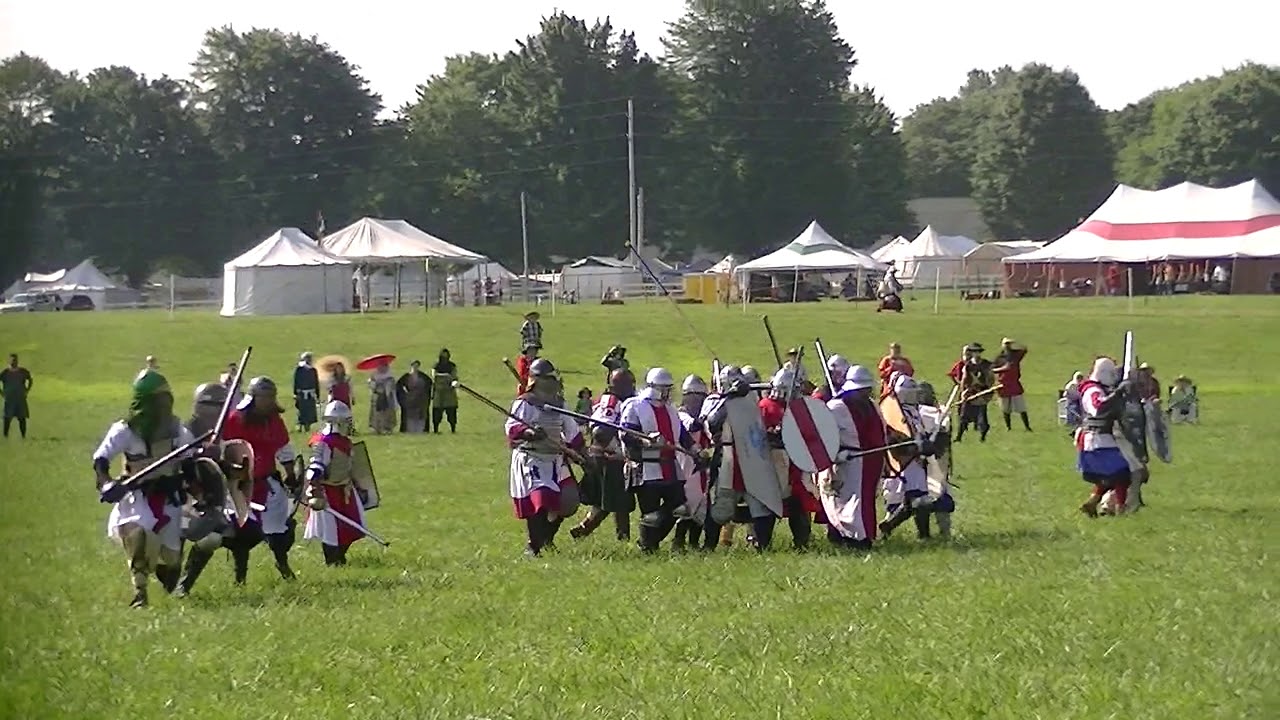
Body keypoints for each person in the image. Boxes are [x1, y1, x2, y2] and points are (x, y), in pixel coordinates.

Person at [93, 369, 195, 607]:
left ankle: (165, 570)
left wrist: (202, 476)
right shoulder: (125, 431)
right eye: (156, 402)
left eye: (165, 401)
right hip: (137, 499)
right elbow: (101, 459)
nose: (162, 407)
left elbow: (191, 464)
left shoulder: (177, 431)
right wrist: (107, 483)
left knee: (171, 562)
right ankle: (140, 593)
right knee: (139, 535)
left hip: (171, 500)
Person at [219, 377, 299, 583]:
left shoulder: (273, 420)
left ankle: (283, 564)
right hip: (241, 485)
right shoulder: (234, 420)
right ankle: (240, 577)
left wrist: (291, 474)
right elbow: (224, 450)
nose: (270, 402)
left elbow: (283, 448)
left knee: (279, 530)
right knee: (241, 534)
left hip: (268, 483)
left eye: (272, 397)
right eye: (266, 397)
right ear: (254, 398)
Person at [505, 358, 584, 556]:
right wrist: (530, 433)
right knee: (540, 502)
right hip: (531, 457)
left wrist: (582, 455)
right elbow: (512, 427)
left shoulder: (560, 404)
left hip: (555, 460)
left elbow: (573, 433)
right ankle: (533, 546)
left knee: (568, 501)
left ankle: (546, 539)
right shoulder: (525, 403)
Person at [704, 364, 784, 552]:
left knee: (762, 504)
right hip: (728, 461)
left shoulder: (751, 401)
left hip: (752, 458)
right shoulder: (716, 402)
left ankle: (763, 548)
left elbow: (757, 430)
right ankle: (708, 548)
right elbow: (712, 423)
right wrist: (728, 399)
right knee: (721, 509)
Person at [620, 368, 701, 553]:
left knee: (680, 507)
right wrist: (646, 439)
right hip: (646, 466)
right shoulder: (635, 405)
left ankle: (649, 542)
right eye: (665, 388)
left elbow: (682, 434)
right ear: (655, 387)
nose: (667, 392)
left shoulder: (671, 410)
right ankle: (649, 547)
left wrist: (695, 449)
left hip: (670, 465)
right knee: (651, 514)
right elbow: (626, 434)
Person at [878, 374, 953, 540]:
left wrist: (929, 440)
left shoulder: (914, 411)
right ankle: (912, 532)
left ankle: (892, 527)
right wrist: (915, 447)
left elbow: (917, 432)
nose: (914, 395)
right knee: (917, 500)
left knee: (917, 500)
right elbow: (893, 439)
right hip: (903, 463)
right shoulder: (893, 413)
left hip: (917, 462)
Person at [820, 365, 887, 550]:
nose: (866, 392)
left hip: (870, 462)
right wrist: (835, 454)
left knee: (865, 501)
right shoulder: (835, 407)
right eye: (862, 389)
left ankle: (863, 536)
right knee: (844, 502)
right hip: (846, 463)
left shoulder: (871, 405)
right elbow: (822, 436)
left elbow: (881, 430)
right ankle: (850, 537)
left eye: (867, 388)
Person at [302, 401, 370, 566]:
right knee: (330, 530)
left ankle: (340, 555)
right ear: (338, 422)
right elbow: (316, 464)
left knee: (352, 524)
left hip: (345, 490)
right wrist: (315, 486)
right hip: (328, 491)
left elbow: (350, 466)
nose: (348, 425)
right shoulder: (323, 441)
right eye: (346, 421)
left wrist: (359, 486)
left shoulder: (345, 442)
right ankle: (332, 560)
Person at [571, 369, 636, 542]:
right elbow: (601, 430)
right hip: (608, 458)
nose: (632, 388)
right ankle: (622, 538)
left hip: (603, 456)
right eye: (629, 384)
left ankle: (583, 529)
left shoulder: (613, 400)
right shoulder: (612, 402)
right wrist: (614, 448)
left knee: (607, 501)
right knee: (618, 501)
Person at [758, 367, 818, 550]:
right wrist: (773, 433)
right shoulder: (765, 406)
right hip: (774, 461)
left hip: (796, 463)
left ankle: (802, 543)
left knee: (799, 504)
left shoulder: (798, 408)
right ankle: (762, 544)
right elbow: (755, 437)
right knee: (769, 504)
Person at [1075, 357, 1133, 517]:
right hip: (1096, 439)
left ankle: (1093, 503)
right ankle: (1120, 508)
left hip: (1104, 438)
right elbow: (1098, 408)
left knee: (1112, 475)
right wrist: (1119, 392)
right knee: (1122, 472)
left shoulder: (1101, 389)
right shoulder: (1092, 390)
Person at [673, 374, 713, 550]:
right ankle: (678, 542)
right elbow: (692, 427)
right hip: (685, 466)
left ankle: (694, 543)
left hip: (702, 467)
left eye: (700, 397)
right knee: (689, 505)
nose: (697, 401)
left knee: (702, 504)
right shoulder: (680, 415)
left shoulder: (704, 416)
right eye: (694, 397)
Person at [948, 344, 995, 442]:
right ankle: (959, 437)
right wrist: (963, 392)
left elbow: (991, 379)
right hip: (970, 393)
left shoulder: (986, 364)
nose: (976, 354)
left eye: (978, 352)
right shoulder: (968, 366)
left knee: (982, 418)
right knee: (964, 417)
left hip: (982, 393)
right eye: (974, 352)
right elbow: (964, 380)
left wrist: (988, 392)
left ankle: (982, 437)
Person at [992, 338, 1031, 431]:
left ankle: (1027, 427)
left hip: (1014, 384)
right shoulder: (999, 357)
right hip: (1003, 385)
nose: (1007, 346)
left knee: (1021, 407)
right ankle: (1008, 427)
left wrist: (1016, 343)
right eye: (1006, 344)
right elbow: (992, 369)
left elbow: (1024, 349)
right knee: (1005, 409)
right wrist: (1003, 368)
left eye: (1009, 344)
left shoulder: (1015, 355)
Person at [1, 353, 33, 439]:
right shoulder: (5, 373)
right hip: (9, 399)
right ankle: (5, 436)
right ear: (9, 361)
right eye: (12, 360)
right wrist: (2, 393)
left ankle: (23, 436)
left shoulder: (23, 371)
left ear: (17, 361)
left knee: (22, 418)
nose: (13, 362)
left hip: (20, 398)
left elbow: (30, 379)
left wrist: (27, 390)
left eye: (15, 360)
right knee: (7, 418)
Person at [396, 360, 432, 433]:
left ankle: (420, 430)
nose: (415, 367)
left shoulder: (423, 376)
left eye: (417, 365)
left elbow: (429, 384)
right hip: (410, 399)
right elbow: (398, 386)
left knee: (421, 416)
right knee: (410, 416)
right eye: (414, 365)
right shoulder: (406, 376)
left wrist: (425, 395)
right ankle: (409, 430)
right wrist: (404, 394)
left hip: (420, 400)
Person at [431, 349, 460, 433]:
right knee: (437, 413)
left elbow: (454, 376)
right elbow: (434, 377)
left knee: (451, 412)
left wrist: (453, 381)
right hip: (439, 393)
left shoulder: (452, 366)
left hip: (449, 393)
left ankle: (453, 429)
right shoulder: (436, 366)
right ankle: (436, 429)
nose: (444, 356)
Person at [367, 360, 397, 434]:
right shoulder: (374, 376)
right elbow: (371, 386)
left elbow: (391, 388)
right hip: (377, 397)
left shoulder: (390, 376)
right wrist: (373, 383)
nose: (381, 368)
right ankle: (377, 428)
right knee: (377, 413)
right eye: (380, 366)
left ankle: (387, 428)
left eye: (384, 366)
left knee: (387, 413)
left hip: (387, 398)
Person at [293, 352, 320, 432]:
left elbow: (316, 383)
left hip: (310, 394)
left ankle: (307, 426)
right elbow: (296, 381)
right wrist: (295, 393)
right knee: (302, 410)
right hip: (302, 393)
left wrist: (317, 395)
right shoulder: (299, 369)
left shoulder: (313, 370)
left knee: (310, 411)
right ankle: (300, 426)